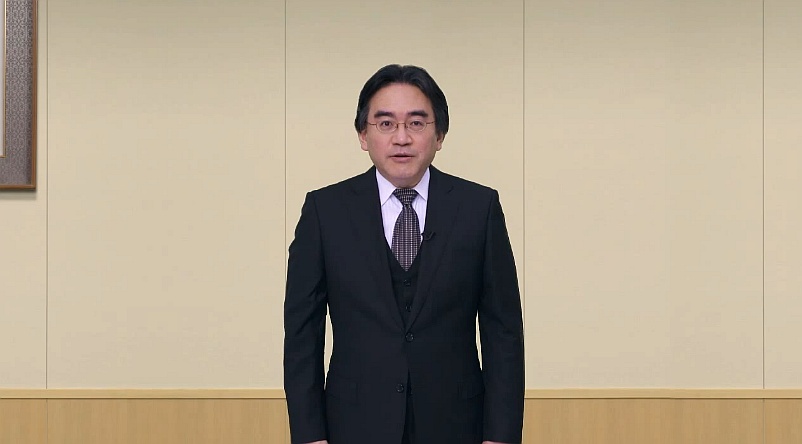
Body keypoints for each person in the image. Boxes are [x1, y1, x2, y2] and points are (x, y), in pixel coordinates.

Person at [284, 64, 524, 444]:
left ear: (439, 134)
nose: (401, 138)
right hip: (353, 425)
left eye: (416, 123)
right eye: (385, 124)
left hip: (457, 425)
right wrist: (310, 435)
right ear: (363, 135)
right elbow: (302, 335)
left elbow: (503, 332)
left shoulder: (479, 208)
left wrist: (501, 436)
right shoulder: (324, 212)